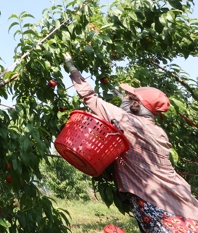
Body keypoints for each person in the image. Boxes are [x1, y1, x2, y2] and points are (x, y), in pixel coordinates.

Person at [64, 53, 198, 232]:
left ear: (136, 105)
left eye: (128, 97)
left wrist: (72, 68)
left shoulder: (128, 122)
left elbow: (90, 98)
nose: (124, 99)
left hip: (161, 207)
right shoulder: (158, 132)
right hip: (183, 202)